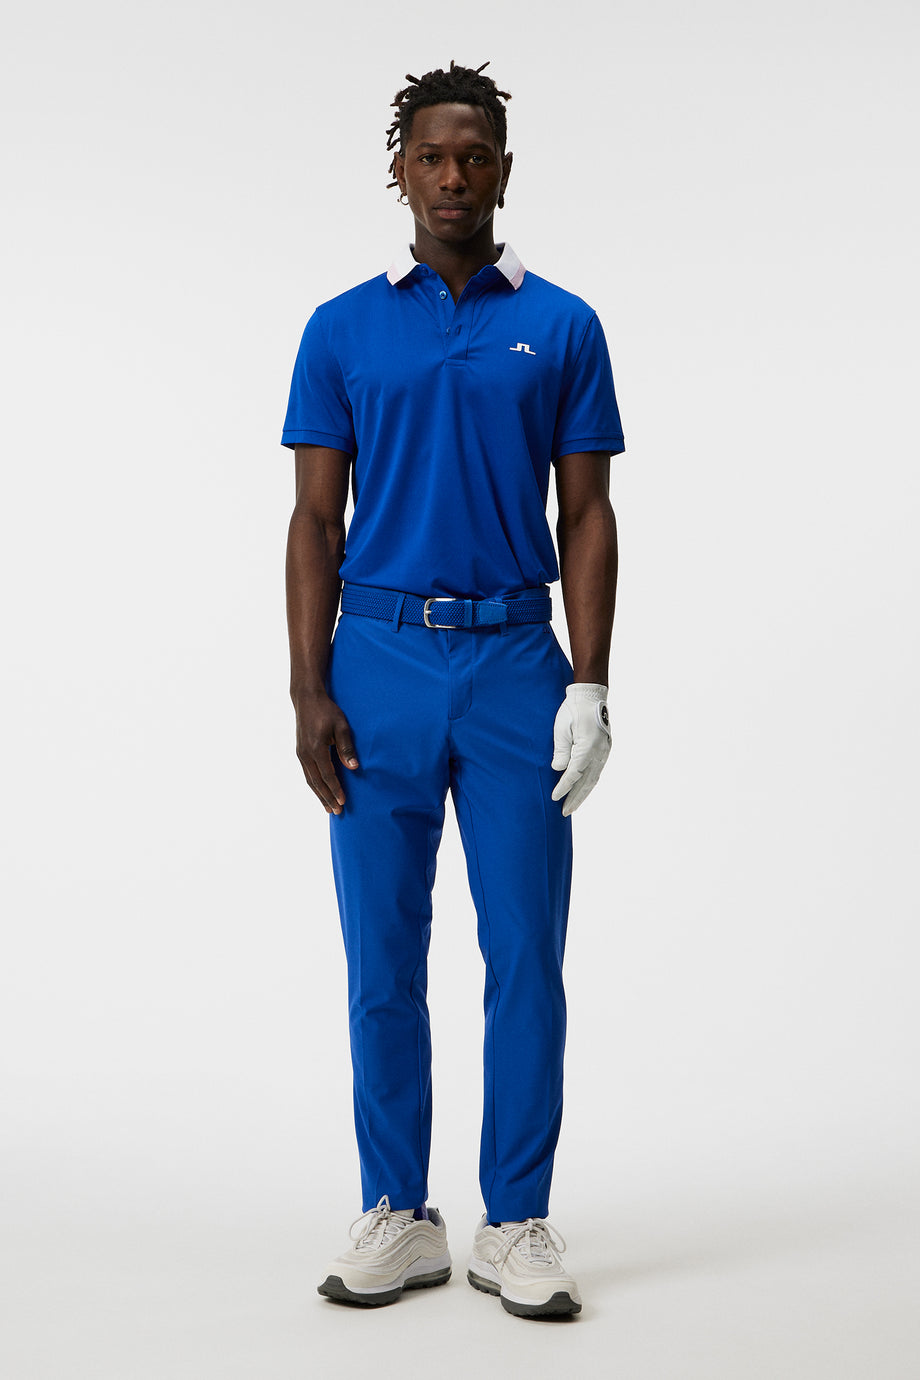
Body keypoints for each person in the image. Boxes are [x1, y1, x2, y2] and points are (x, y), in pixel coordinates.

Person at [282, 60, 624, 1319]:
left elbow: (584, 514)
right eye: (429, 156)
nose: (451, 177)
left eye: (473, 156)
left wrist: (588, 681)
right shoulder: (341, 328)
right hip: (376, 658)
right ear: (398, 170)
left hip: (514, 663)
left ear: (502, 172)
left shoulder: (562, 324)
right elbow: (313, 521)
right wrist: (306, 687)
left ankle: (515, 1219)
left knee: (524, 948)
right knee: (382, 951)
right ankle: (398, 1211)